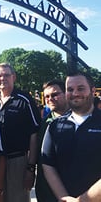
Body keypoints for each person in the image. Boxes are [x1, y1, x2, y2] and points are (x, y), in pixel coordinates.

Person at [42, 72, 101, 200]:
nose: (75, 93)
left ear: (93, 90)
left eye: (80, 88)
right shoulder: (55, 125)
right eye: (70, 89)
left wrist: (82, 200)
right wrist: (64, 197)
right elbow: (48, 164)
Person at [0, 63, 41, 202]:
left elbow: (34, 134)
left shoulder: (24, 100)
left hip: (17, 161)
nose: (3, 78)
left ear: (14, 77)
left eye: (6, 75)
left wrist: (30, 168)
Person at [35, 80, 69, 202]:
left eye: (55, 95)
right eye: (47, 96)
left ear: (66, 93)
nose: (50, 99)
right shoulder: (45, 122)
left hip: (69, 188)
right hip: (45, 188)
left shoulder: (78, 121)